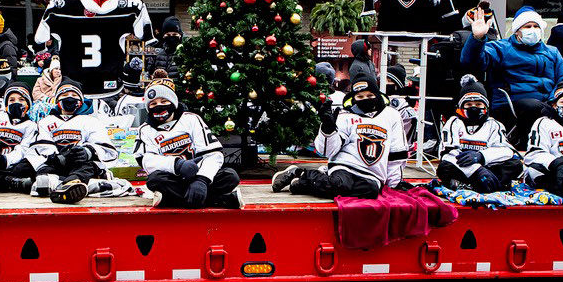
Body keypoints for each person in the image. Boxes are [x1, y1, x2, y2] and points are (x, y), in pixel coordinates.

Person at [271, 77, 413, 199]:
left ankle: (305, 183)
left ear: (377, 94)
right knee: (340, 186)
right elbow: (328, 151)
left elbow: (397, 153)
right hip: (345, 165)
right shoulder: (346, 116)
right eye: (360, 97)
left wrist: (394, 183)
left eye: (369, 96)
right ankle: (300, 173)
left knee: (371, 191)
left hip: (373, 173)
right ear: (354, 98)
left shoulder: (392, 115)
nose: (365, 100)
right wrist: (327, 129)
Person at [460, 5, 563, 143]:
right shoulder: (502, 48)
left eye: (536, 26)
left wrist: (557, 100)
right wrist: (477, 38)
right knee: (533, 107)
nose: (533, 30)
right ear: (517, 31)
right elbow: (471, 62)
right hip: (512, 103)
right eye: (527, 27)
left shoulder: (552, 52)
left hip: (549, 102)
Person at [137, 78, 243, 208]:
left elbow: (213, 153)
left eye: (164, 101)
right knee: (155, 180)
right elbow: (148, 161)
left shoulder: (191, 119)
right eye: (153, 104)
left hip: (198, 174)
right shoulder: (145, 130)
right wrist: (177, 165)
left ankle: (170, 200)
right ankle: (220, 200)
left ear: (173, 102)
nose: (159, 106)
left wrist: (202, 179)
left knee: (230, 176)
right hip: (173, 178)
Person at [31, 81, 118, 204]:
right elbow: (41, 145)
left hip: (81, 164)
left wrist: (88, 151)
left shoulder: (91, 121)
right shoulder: (46, 121)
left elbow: (106, 149)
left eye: (74, 95)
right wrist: (57, 157)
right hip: (57, 164)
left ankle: (66, 183)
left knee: (88, 167)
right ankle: (81, 184)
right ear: (57, 100)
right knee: (42, 172)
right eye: (65, 95)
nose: (69, 98)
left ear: (81, 100)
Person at [436, 80, 524, 193]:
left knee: (515, 165)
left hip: (488, 166)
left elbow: (507, 151)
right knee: (444, 167)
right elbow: (447, 153)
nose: (474, 107)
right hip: (464, 167)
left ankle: (487, 184)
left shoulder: (494, 124)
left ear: (485, 106)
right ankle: (481, 185)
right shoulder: (454, 123)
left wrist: (481, 156)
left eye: (478, 104)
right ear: (461, 106)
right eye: (468, 104)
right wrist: (476, 170)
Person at [144, 16, 184, 81]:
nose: (171, 37)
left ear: (180, 35)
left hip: (178, 90)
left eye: (174, 34)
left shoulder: (185, 54)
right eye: (168, 35)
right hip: (160, 89)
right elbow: (149, 74)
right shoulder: (156, 54)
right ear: (163, 35)